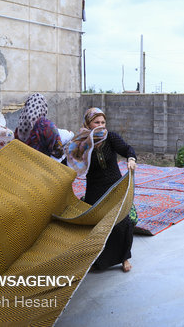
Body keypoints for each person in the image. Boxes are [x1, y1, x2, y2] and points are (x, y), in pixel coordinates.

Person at [65, 107, 137, 272]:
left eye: (103, 122)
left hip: (114, 185)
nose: (101, 125)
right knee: (97, 225)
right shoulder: (81, 143)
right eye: (96, 122)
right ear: (88, 124)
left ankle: (125, 257)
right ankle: (99, 259)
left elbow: (127, 149)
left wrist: (131, 159)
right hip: (95, 189)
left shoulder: (110, 137)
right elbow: (68, 163)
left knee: (123, 221)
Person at [14, 93, 63, 158]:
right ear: (43, 108)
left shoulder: (19, 128)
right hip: (41, 165)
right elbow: (58, 151)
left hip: (22, 164)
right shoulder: (47, 126)